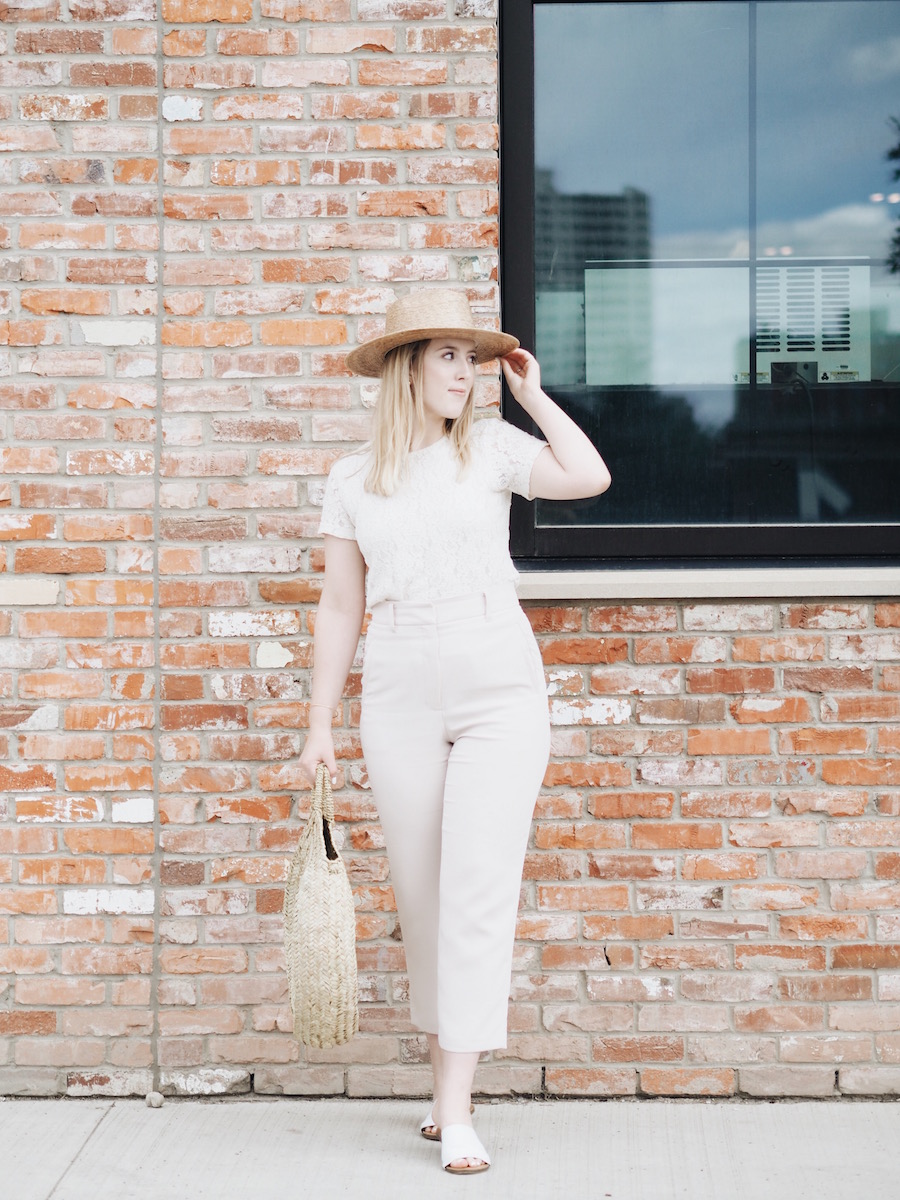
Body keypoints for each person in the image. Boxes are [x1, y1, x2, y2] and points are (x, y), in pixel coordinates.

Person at [298, 289, 610, 1175]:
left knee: (476, 890)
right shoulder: (352, 478)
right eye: (448, 356)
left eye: (471, 359)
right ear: (405, 368)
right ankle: (446, 1089)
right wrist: (319, 722)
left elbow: (588, 477)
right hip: (396, 680)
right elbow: (339, 605)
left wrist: (535, 395)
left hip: (496, 677)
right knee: (424, 895)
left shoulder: (493, 448)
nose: (466, 373)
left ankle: (455, 1105)